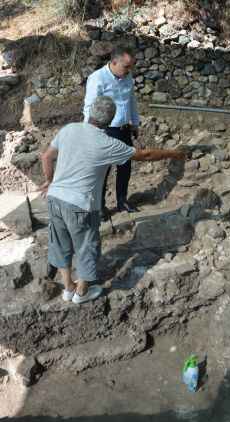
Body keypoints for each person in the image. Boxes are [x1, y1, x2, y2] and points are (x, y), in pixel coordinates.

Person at [40, 96, 185, 305]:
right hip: (80, 204)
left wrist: (49, 181)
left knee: (60, 241)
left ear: (90, 111)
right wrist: (174, 153)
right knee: (86, 245)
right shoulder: (107, 144)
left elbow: (46, 157)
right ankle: (81, 292)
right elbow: (145, 155)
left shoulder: (69, 129)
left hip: (55, 198)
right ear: (111, 119)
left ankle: (68, 287)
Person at [83, 44, 139, 215]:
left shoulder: (127, 77)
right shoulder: (98, 78)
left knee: (125, 167)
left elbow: (131, 100)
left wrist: (135, 123)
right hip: (105, 131)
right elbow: (89, 107)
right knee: (102, 170)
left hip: (124, 129)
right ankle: (99, 207)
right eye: (126, 66)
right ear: (114, 62)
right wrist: (89, 133)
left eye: (131, 66)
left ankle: (122, 201)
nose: (129, 70)